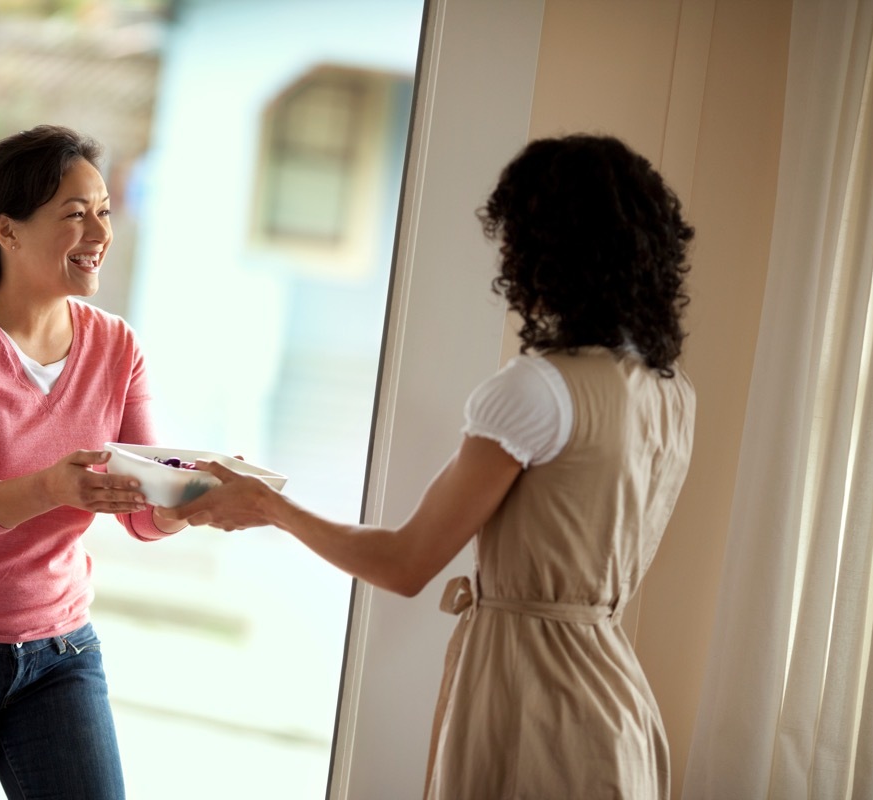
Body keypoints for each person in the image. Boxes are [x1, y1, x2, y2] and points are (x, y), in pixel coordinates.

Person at [159, 134, 696, 799]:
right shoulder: (671, 395)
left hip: (533, 704)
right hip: (617, 706)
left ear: (544, 248)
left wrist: (270, 507)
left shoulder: (537, 389)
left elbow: (406, 563)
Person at [0, 125, 186, 800]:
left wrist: (195, 495)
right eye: (75, 214)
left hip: (62, 651)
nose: (99, 233)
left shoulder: (116, 345)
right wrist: (54, 487)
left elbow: (144, 514)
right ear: (9, 230)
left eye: (104, 211)